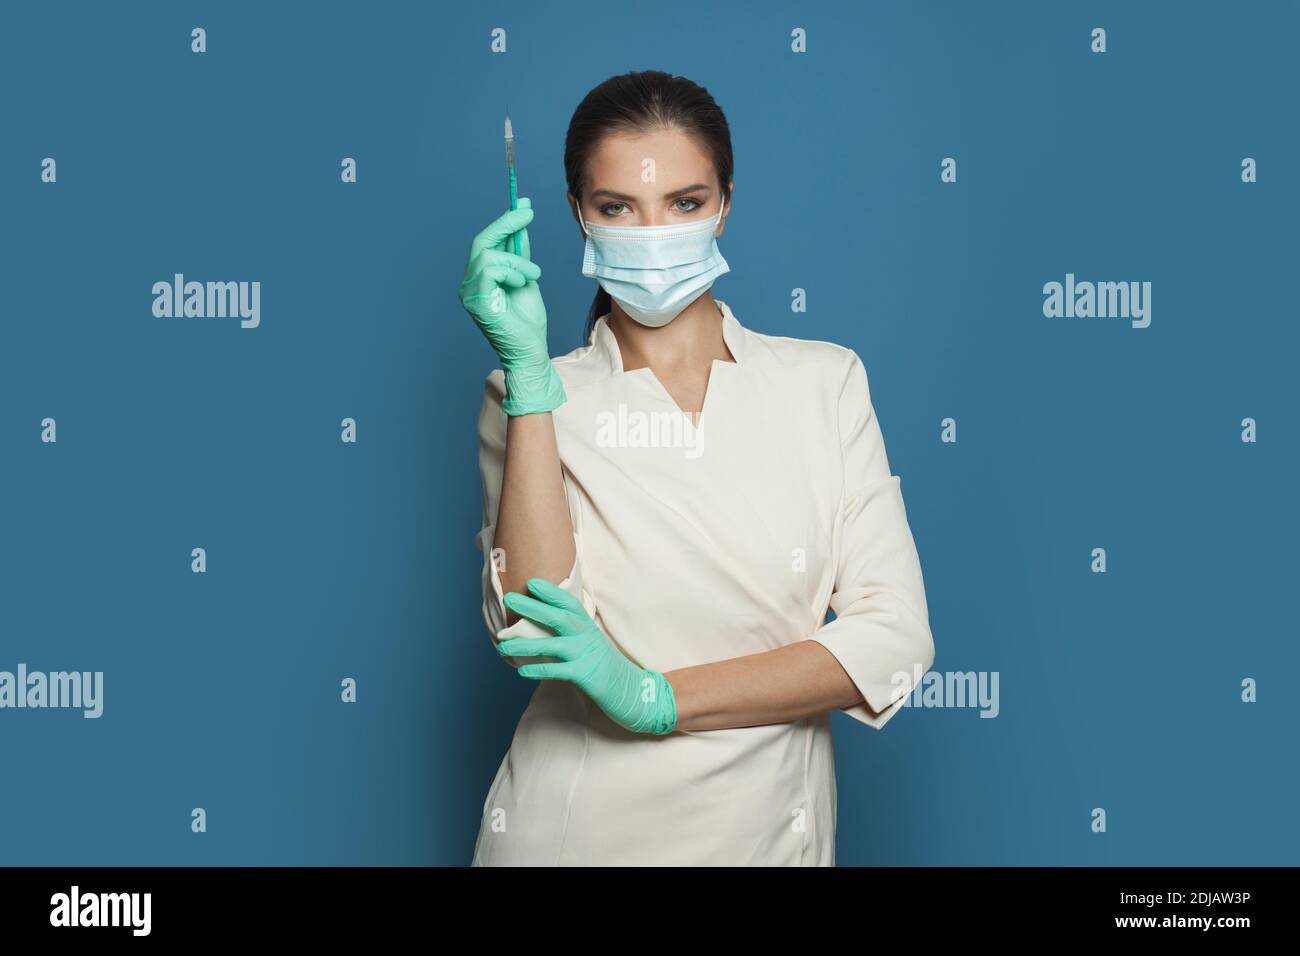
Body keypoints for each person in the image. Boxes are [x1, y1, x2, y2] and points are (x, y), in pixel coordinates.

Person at [458, 70, 935, 866]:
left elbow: (893, 641)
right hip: (576, 837)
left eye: (684, 202)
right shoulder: (528, 395)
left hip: (771, 837)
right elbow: (534, 628)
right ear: (577, 213)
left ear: (726, 203)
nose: (653, 232)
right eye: (618, 207)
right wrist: (533, 381)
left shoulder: (824, 382)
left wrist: (659, 698)